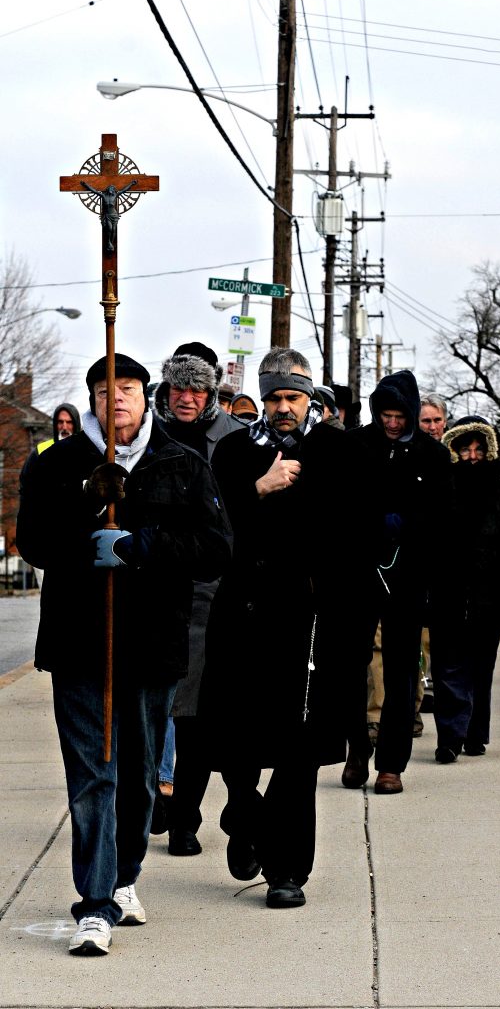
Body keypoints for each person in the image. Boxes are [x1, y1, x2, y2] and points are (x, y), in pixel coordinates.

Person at [16, 352, 232, 956]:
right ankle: (95, 901)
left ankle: (125, 873)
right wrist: (87, 513)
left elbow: (216, 548)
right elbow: (31, 540)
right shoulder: (56, 464)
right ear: (91, 398)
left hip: (152, 642)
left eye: (130, 390)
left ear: (147, 397)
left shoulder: (182, 464)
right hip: (80, 642)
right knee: (93, 777)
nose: (118, 400)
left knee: (138, 778)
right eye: (106, 390)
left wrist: (142, 546)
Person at [199, 347, 344, 909]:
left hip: (305, 618)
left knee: (297, 749)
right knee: (234, 737)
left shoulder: (336, 453)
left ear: (310, 398)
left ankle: (287, 870)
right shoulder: (235, 451)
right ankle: (243, 813)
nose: (284, 407)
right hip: (241, 612)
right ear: (263, 398)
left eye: (294, 396)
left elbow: (348, 534)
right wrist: (260, 487)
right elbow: (214, 525)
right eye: (276, 397)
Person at [153, 342, 245, 855]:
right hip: (164, 584)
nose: (186, 397)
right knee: (173, 708)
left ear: (211, 393)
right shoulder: (152, 436)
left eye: (197, 388)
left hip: (220, 587)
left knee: (214, 709)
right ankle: (171, 809)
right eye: (178, 387)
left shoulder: (233, 439)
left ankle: (215, 811)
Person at [345, 369, 452, 793]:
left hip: (409, 573)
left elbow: (443, 515)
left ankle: (392, 764)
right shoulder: (356, 445)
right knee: (353, 664)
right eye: (385, 414)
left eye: (399, 415)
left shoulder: (432, 455)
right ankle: (356, 750)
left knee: (402, 668)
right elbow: (341, 503)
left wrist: (408, 527)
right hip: (358, 570)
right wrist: (371, 526)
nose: (392, 423)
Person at [431, 415, 500, 762]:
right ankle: (449, 737)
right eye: (465, 449)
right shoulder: (442, 486)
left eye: (478, 448)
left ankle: (475, 733)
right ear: (454, 449)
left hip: (489, 594)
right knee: (448, 667)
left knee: (481, 668)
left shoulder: (499, 487)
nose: (471, 456)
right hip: (449, 589)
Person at [20, 403, 82, 589]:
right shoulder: (40, 453)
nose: (64, 427)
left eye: (69, 422)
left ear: (76, 424)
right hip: (47, 536)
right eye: (60, 422)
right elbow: (26, 490)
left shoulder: (84, 452)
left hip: (78, 538)